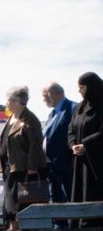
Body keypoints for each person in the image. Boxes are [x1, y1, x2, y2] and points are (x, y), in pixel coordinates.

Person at [0, 85, 47, 231]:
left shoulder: (30, 119)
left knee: (20, 201)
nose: (6, 103)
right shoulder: (12, 118)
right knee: (10, 200)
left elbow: (35, 145)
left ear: (15, 101)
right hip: (10, 167)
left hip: (23, 168)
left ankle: (18, 229)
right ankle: (12, 227)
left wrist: (32, 167)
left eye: (8, 100)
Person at [69, 71, 103, 214]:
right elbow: (71, 128)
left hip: (98, 163)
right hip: (81, 161)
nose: (79, 90)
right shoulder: (79, 107)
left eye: (82, 87)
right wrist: (73, 145)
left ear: (91, 87)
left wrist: (86, 144)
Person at [42, 82, 77, 210]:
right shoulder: (52, 114)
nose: (42, 98)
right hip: (51, 167)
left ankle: (72, 228)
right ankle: (59, 226)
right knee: (56, 202)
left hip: (66, 165)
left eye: (44, 95)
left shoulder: (73, 108)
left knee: (70, 201)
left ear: (54, 93)